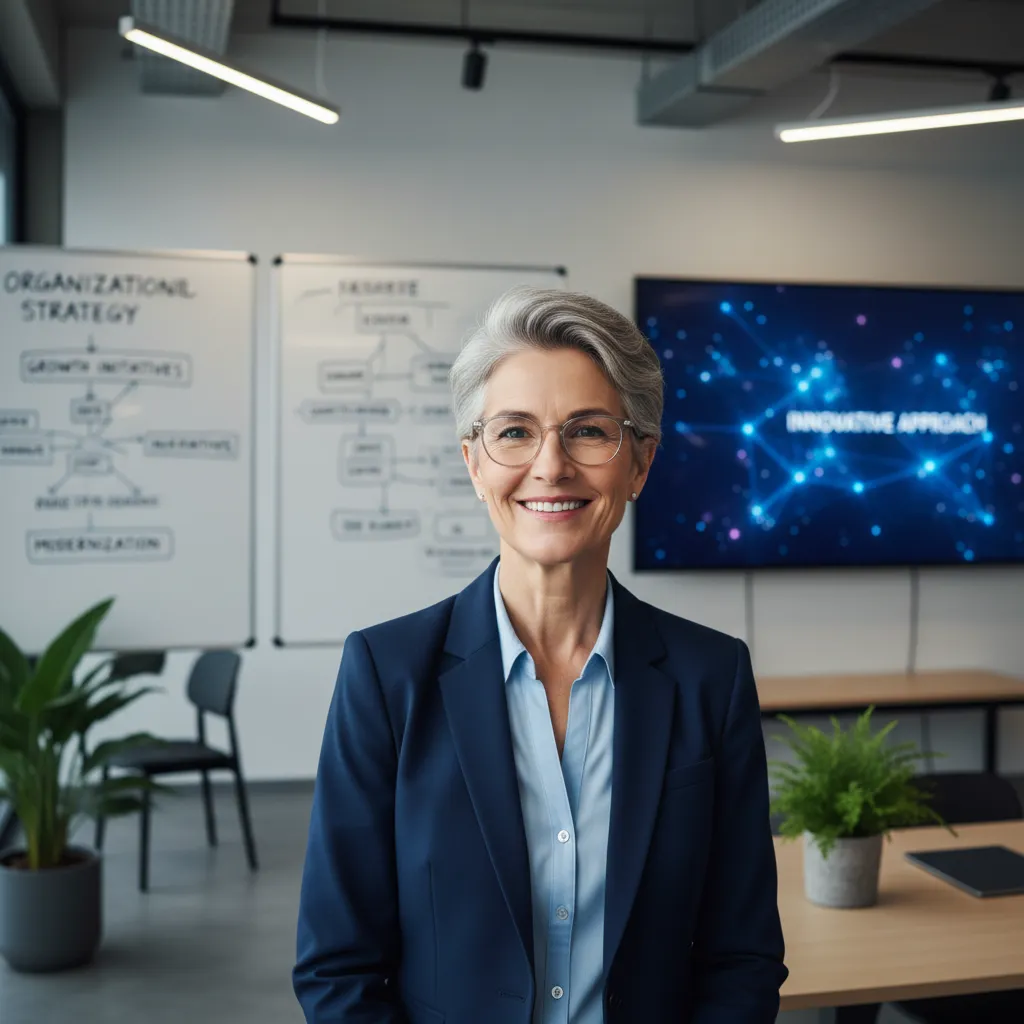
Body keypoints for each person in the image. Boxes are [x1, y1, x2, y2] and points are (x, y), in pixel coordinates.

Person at [293, 288, 788, 1024]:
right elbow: (339, 968)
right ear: (474, 463)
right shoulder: (385, 673)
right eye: (515, 432)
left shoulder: (710, 677)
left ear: (640, 464)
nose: (550, 466)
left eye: (587, 431)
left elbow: (741, 956)